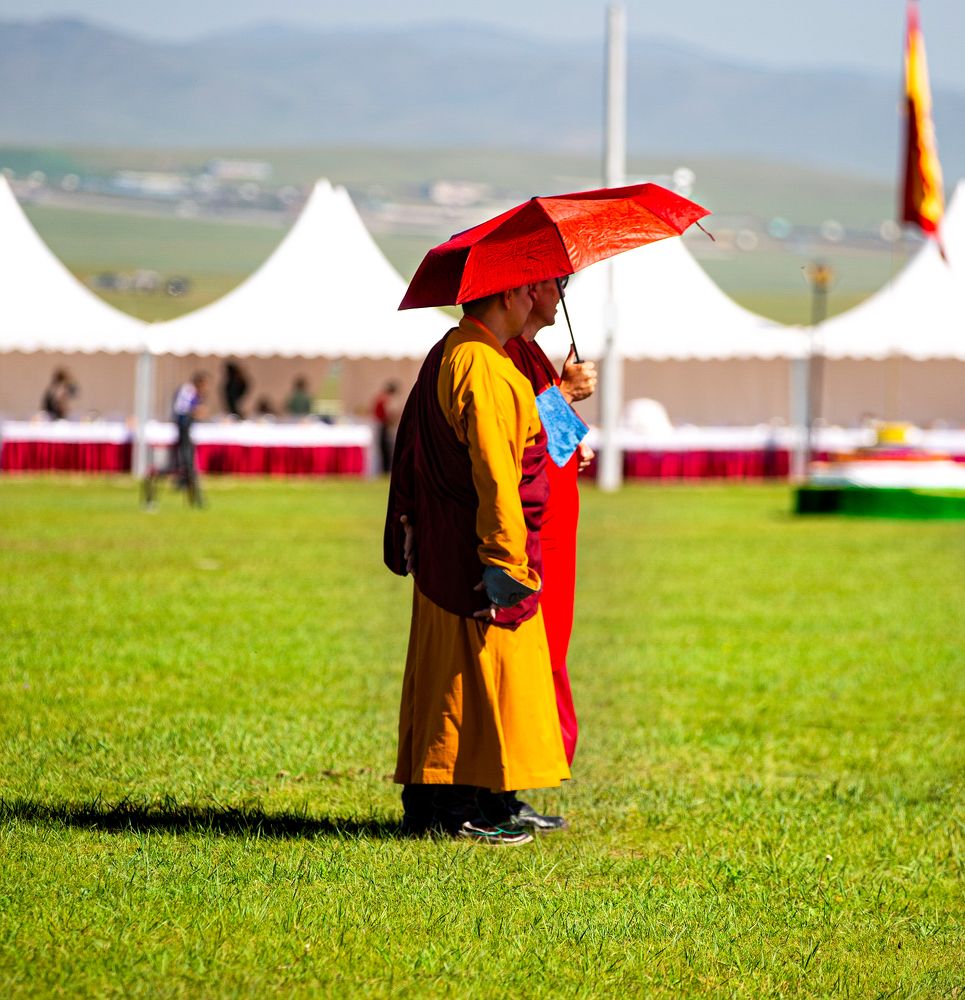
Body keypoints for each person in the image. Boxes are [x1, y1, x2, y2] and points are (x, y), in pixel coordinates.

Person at [384, 283, 570, 845]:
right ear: (512, 293)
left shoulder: (466, 350)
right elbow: (495, 473)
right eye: (545, 285)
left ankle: (457, 802)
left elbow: (554, 446)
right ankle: (455, 808)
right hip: (475, 549)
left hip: (459, 539)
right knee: (469, 679)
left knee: (458, 676)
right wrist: (503, 561)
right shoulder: (485, 363)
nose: (549, 295)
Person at [504, 277, 596, 766]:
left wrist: (571, 440)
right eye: (555, 284)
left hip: (557, 524)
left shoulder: (532, 352)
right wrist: (565, 393)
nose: (561, 294)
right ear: (527, 290)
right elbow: (508, 432)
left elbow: (546, 442)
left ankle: (537, 758)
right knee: (537, 643)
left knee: (553, 642)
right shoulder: (507, 353)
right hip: (536, 528)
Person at [144, 371, 209, 509]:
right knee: (183, 465)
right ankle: (193, 497)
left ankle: (195, 499)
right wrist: (196, 412)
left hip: (185, 433)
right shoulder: (188, 391)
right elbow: (182, 412)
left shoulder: (191, 392)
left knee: (188, 466)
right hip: (183, 432)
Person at [373, 381, 402, 473]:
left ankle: (386, 469)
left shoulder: (383, 399)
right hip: (383, 426)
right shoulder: (385, 400)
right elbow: (387, 415)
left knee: (385, 449)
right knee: (385, 449)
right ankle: (385, 469)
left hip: (383, 426)